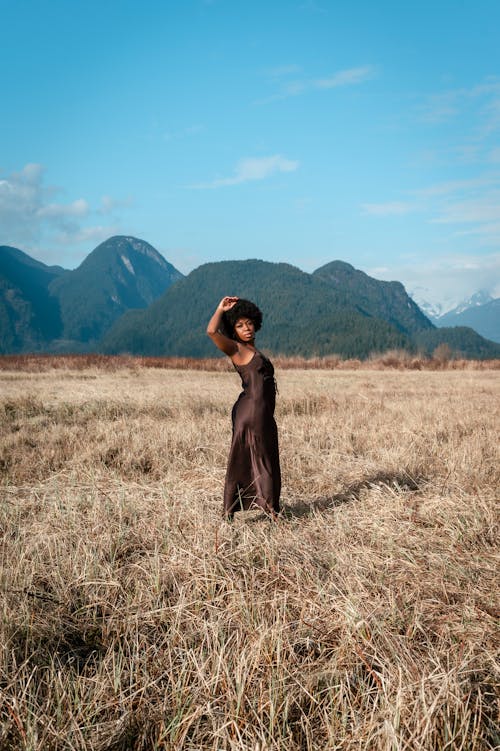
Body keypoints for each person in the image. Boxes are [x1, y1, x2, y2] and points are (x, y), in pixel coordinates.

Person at [206, 296, 281, 520]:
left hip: (260, 411)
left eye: (248, 323)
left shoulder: (251, 349)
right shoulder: (235, 349)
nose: (246, 328)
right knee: (262, 459)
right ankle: (270, 511)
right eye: (239, 325)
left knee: (251, 458)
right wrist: (220, 309)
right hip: (252, 411)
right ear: (232, 330)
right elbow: (211, 331)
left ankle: (240, 509)